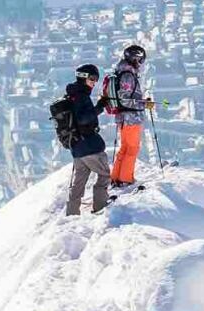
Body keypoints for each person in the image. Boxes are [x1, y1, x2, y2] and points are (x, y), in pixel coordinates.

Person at [52, 65, 110, 216]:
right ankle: (100, 208)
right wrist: (99, 107)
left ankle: (71, 214)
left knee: (78, 182)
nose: (94, 82)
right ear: (83, 77)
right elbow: (83, 119)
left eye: (96, 79)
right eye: (92, 79)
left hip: (77, 147)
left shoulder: (73, 94)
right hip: (89, 145)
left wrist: (97, 107)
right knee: (104, 175)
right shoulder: (81, 96)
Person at [105, 42, 154, 189]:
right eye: (140, 60)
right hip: (131, 118)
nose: (141, 64)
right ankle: (126, 179)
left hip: (123, 117)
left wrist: (141, 102)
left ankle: (117, 177)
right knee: (132, 148)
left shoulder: (122, 72)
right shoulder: (127, 75)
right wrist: (143, 104)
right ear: (135, 59)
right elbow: (125, 99)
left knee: (125, 148)